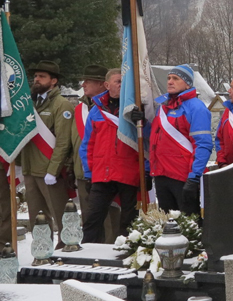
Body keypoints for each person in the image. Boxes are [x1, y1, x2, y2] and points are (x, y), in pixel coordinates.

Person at [80, 69, 143, 242]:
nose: (122, 85)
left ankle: (127, 251)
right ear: (107, 85)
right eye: (118, 82)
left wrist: (145, 169)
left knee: (129, 221)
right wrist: (89, 173)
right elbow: (87, 145)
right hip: (102, 173)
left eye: (124, 82)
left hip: (128, 172)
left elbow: (146, 143)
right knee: (92, 218)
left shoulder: (136, 109)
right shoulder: (96, 111)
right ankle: (88, 250)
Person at [149, 65, 212, 216]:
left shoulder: (196, 107)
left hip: (183, 176)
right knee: (167, 224)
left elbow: (203, 144)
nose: (170, 81)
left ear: (188, 84)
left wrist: (194, 177)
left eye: (176, 78)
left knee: (188, 223)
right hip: (161, 174)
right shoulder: (162, 108)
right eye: (169, 78)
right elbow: (154, 141)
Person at [21, 60, 74, 239]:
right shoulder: (31, 103)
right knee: (38, 221)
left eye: (42, 76)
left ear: (54, 81)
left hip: (50, 170)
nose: (37, 79)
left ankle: (67, 248)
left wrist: (53, 170)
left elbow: (63, 142)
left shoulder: (61, 105)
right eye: (36, 76)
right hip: (31, 169)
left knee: (61, 217)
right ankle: (42, 250)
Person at [72, 65, 120, 242]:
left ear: (102, 84)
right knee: (91, 219)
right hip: (89, 172)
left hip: (115, 172)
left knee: (113, 220)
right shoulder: (81, 109)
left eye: (88, 81)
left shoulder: (120, 107)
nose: (83, 84)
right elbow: (78, 143)